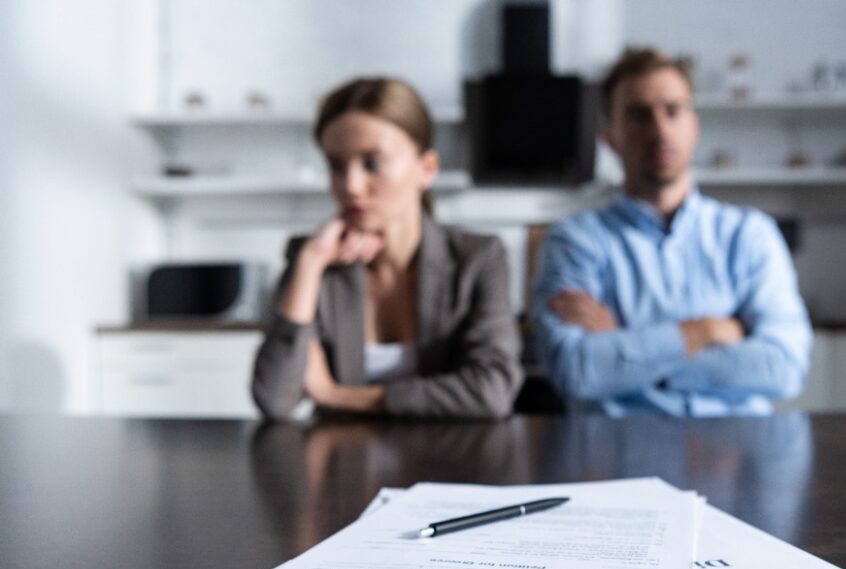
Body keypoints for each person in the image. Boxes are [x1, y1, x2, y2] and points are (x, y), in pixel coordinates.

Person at [532, 48, 812, 416]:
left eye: (673, 111)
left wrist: (625, 350)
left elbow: (784, 367)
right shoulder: (574, 241)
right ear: (610, 137)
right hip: (616, 456)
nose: (659, 129)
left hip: (736, 455)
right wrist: (704, 333)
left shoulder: (750, 235)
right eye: (638, 115)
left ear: (694, 125)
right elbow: (577, 370)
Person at [252, 77, 522, 420]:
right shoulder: (314, 260)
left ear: (426, 169)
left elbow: (492, 392)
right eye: (336, 166)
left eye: (372, 164)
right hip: (344, 466)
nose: (350, 186)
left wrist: (336, 396)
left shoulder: (477, 258)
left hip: (449, 463)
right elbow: (274, 400)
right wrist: (310, 263)